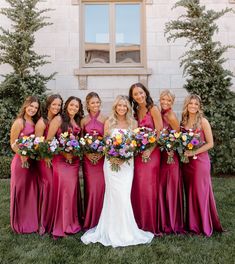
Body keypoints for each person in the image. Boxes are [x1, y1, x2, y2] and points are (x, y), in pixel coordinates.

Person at [81, 95, 154, 247]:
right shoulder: (109, 121)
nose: (122, 108)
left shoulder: (133, 123)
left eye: (124, 106)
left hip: (127, 164)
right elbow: (105, 143)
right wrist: (113, 156)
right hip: (111, 164)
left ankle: (127, 230)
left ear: (128, 107)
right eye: (119, 105)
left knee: (123, 195)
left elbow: (134, 145)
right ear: (115, 107)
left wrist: (125, 156)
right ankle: (110, 229)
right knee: (114, 195)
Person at [181, 94, 223, 236]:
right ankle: (192, 225)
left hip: (200, 162)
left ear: (199, 107)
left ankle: (204, 225)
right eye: (190, 103)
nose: (193, 106)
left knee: (200, 192)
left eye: (196, 104)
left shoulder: (203, 121)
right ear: (186, 105)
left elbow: (210, 144)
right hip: (187, 164)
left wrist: (194, 152)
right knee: (190, 192)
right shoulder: (183, 122)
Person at [46, 96, 84, 238]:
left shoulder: (77, 121)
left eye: (76, 106)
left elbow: (78, 141)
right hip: (60, 160)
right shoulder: (58, 120)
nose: (73, 108)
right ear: (66, 105)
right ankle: (62, 225)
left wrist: (75, 152)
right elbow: (49, 140)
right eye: (71, 105)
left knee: (72, 191)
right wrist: (63, 152)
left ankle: (73, 222)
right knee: (64, 191)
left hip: (73, 161)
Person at [129, 83, 163, 234]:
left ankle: (150, 224)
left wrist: (149, 149)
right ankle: (138, 222)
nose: (139, 96)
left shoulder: (153, 109)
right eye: (135, 94)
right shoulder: (135, 110)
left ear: (146, 93)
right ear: (132, 97)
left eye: (141, 93)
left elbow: (159, 133)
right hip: (138, 153)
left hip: (152, 152)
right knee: (138, 186)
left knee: (148, 187)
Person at [10, 96, 41, 233]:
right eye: (31, 106)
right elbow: (13, 143)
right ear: (26, 106)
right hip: (21, 162)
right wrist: (22, 155)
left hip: (32, 162)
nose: (33, 109)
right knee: (21, 191)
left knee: (31, 192)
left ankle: (31, 221)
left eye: (36, 107)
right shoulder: (19, 122)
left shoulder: (34, 122)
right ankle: (20, 223)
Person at [35, 94, 63, 235]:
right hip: (44, 159)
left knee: (55, 188)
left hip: (55, 159)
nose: (56, 107)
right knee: (48, 187)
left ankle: (54, 220)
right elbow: (39, 143)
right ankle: (43, 223)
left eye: (59, 105)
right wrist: (45, 156)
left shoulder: (58, 119)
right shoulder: (42, 122)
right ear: (48, 105)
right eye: (54, 104)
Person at [158, 90, 184, 234]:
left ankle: (172, 222)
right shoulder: (160, 114)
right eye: (163, 99)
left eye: (168, 100)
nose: (165, 102)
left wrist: (171, 148)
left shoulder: (171, 116)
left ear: (172, 102)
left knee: (170, 186)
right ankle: (163, 219)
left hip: (170, 156)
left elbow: (178, 137)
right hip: (162, 155)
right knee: (162, 186)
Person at [81, 92, 106, 230]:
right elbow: (80, 141)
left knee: (101, 188)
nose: (95, 105)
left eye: (97, 102)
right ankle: (90, 219)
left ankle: (101, 218)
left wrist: (101, 154)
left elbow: (108, 140)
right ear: (88, 105)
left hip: (101, 159)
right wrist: (88, 154)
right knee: (91, 188)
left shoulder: (105, 119)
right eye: (92, 103)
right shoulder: (84, 120)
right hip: (88, 160)